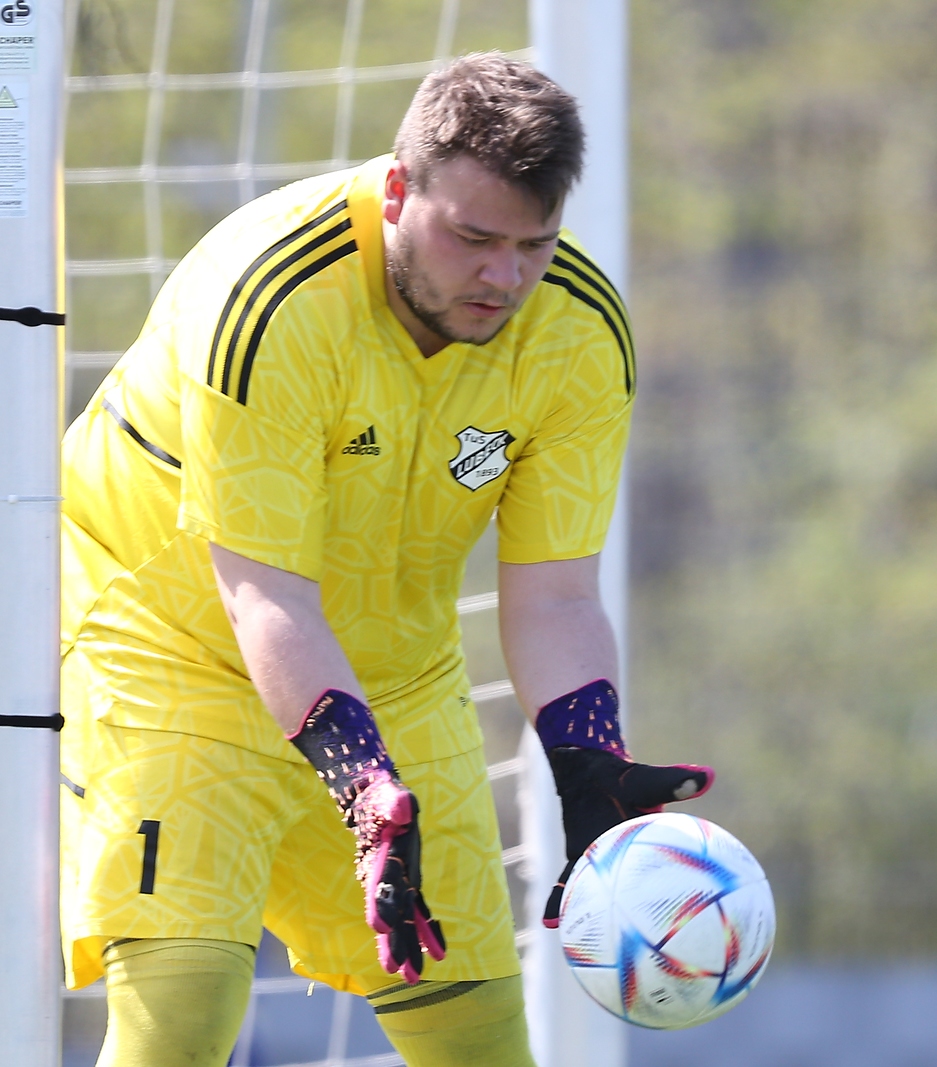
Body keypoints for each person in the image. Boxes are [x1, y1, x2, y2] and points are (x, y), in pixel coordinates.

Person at [58, 51, 710, 1067]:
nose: (505, 276)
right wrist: (364, 787)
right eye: (473, 237)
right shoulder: (271, 295)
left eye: (533, 243)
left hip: (392, 675)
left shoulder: (580, 330)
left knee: (478, 1033)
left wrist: (589, 760)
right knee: (183, 1009)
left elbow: (556, 594)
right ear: (398, 189)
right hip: (175, 645)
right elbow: (263, 589)